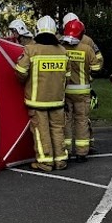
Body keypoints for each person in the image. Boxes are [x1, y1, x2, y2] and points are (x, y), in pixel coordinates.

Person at [14, 16, 70, 171]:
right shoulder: (62, 51)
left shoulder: (32, 49)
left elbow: (20, 71)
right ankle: (60, 160)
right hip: (58, 100)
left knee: (41, 131)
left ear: (37, 30)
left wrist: (25, 82)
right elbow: (68, 76)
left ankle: (45, 162)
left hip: (37, 100)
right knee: (58, 129)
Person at [61, 18, 99, 162]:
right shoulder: (87, 49)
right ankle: (82, 153)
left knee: (67, 121)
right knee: (82, 121)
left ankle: (67, 150)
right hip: (82, 92)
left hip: (66, 91)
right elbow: (96, 68)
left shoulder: (62, 48)